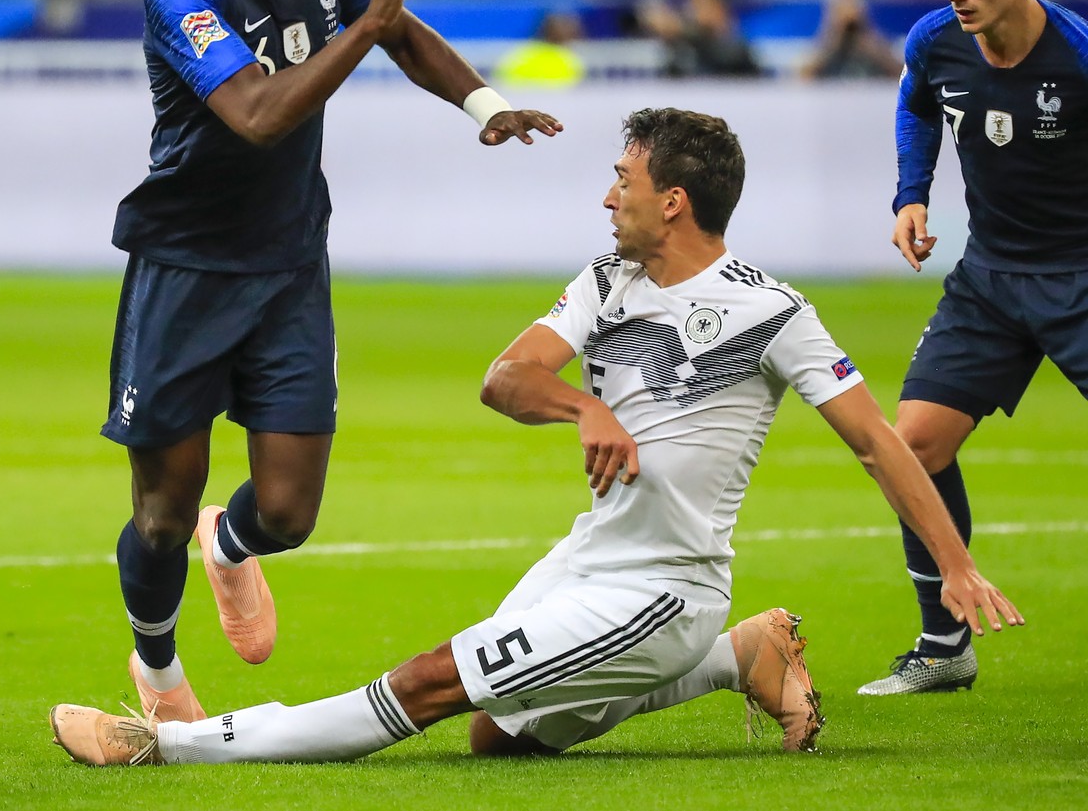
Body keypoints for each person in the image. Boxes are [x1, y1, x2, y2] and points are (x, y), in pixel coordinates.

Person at [54, 108, 1021, 765]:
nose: (610, 197)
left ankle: (164, 743)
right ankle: (742, 655)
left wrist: (954, 565)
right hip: (587, 559)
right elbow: (505, 377)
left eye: (624, 179)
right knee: (495, 740)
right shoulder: (607, 281)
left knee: (429, 684)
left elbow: (880, 442)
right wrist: (582, 407)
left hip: (665, 586)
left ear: (674, 200)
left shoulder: (774, 314)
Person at [103, 0, 563, 726]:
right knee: (160, 508)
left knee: (288, 513)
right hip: (184, 271)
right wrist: (367, 28)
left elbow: (401, 33)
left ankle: (230, 548)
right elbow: (261, 114)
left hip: (286, 268)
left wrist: (482, 101)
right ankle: (157, 670)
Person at [866, 0, 1082, 696]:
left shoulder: (1078, 55)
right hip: (990, 280)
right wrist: (911, 192)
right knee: (911, 445)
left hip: (1082, 278)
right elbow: (918, 105)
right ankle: (944, 643)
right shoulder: (935, 41)